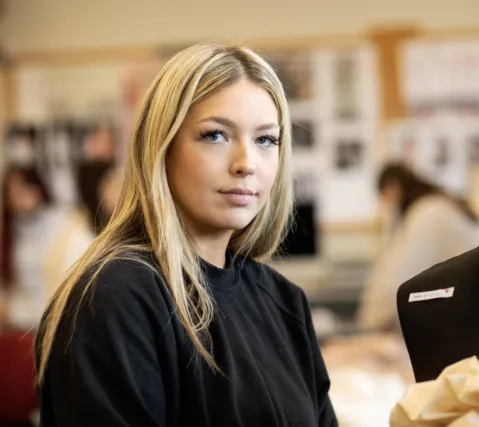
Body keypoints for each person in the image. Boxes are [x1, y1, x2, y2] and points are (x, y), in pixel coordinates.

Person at [35, 42, 337, 427]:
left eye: (266, 140)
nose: (246, 163)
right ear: (161, 147)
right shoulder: (116, 295)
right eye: (215, 135)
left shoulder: (284, 301)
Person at [357, 163, 479, 331]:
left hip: (477, 306)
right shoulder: (437, 204)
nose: (388, 206)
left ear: (393, 187)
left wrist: (369, 321)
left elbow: (398, 276)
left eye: (385, 196)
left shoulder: (428, 212)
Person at [0, 165, 94, 331]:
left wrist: (14, 313)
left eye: (25, 185)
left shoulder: (66, 227)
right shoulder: (11, 234)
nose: (18, 194)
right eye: (11, 189)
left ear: (38, 187)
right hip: (20, 326)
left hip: (56, 325)